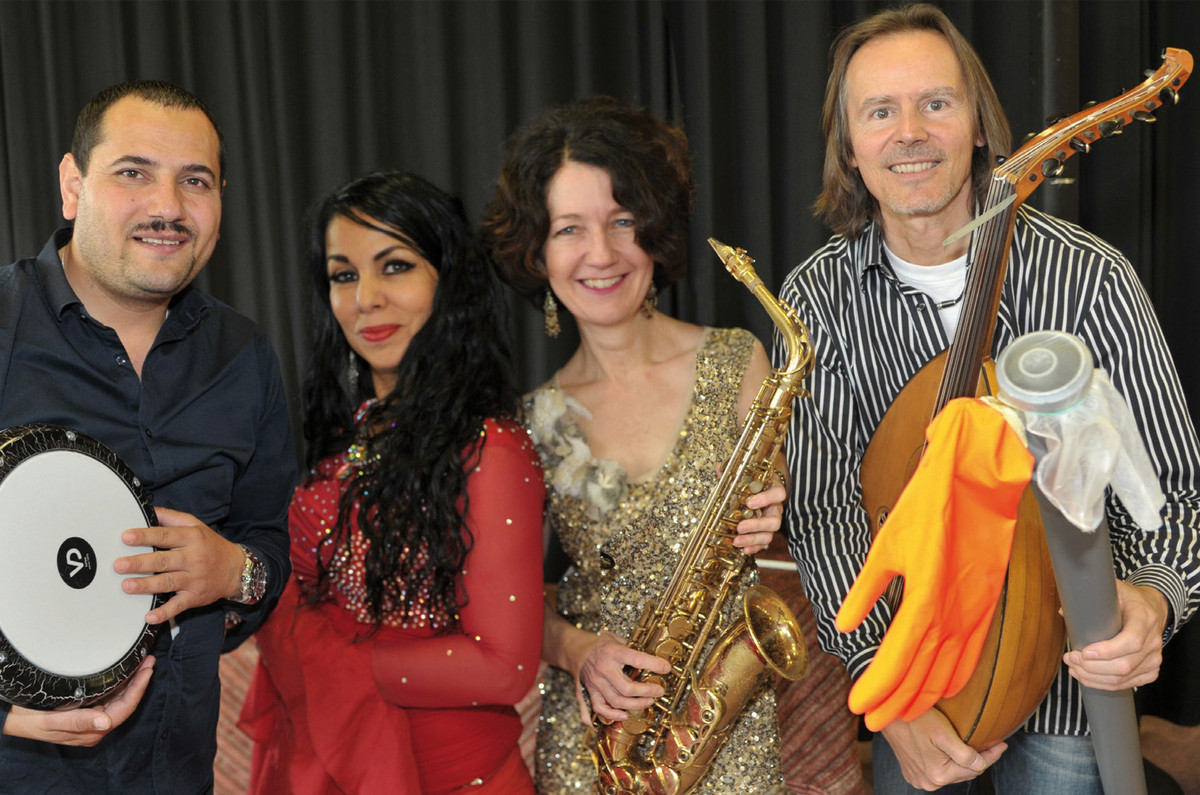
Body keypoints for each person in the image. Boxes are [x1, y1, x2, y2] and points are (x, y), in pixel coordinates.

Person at [779, 4, 1200, 792]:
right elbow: (825, 512)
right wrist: (885, 689)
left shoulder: (1089, 279)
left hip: (1070, 688)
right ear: (850, 146)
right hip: (920, 687)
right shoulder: (817, 300)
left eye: (936, 102)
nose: (910, 132)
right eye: (880, 111)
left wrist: (1152, 600)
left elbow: (1173, 490)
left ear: (978, 125)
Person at [483, 95, 863, 795]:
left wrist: (777, 509)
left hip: (732, 729)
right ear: (537, 251)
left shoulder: (738, 359)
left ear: (654, 229)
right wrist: (578, 651)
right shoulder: (529, 422)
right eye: (569, 229)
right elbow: (505, 602)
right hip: (599, 737)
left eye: (622, 220)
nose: (601, 253)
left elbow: (802, 515)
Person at [0, 80, 296, 792]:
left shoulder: (245, 356)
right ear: (72, 185)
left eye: (195, 180)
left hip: (176, 773)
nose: (168, 206)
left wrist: (234, 571)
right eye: (133, 172)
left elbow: (267, 544)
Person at [238, 170, 545, 794]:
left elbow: (503, 669)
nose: (365, 298)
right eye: (343, 275)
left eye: (395, 267)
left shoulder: (490, 448)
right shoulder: (350, 434)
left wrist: (328, 662)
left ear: (447, 279)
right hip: (335, 760)